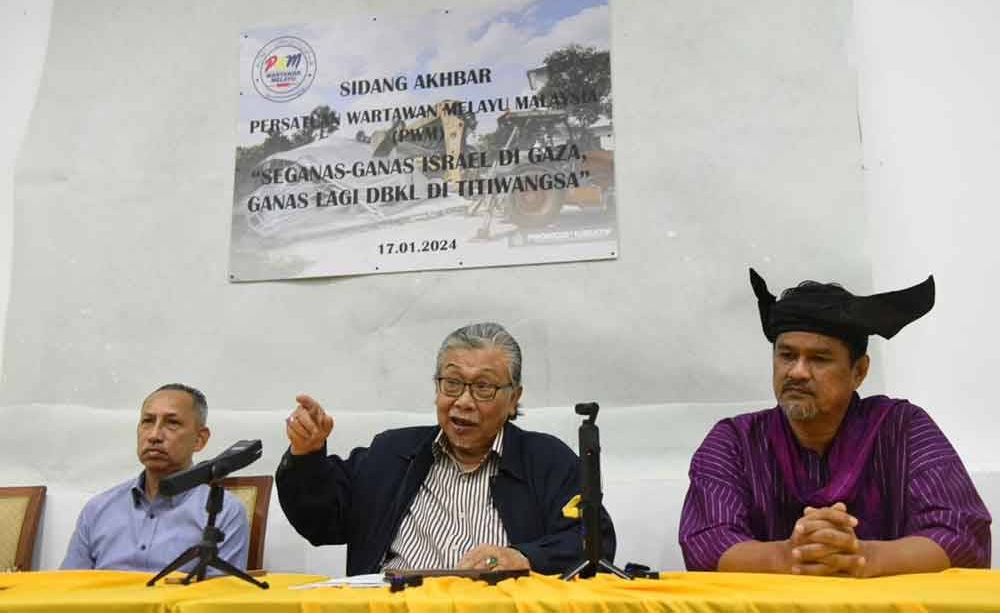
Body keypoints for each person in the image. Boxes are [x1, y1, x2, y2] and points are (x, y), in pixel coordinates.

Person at [679, 269, 991, 577]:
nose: (798, 372)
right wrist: (788, 557)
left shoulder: (902, 429)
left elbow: (962, 535)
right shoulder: (735, 441)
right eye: (787, 355)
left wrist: (863, 557)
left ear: (859, 372)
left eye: (819, 358)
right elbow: (707, 542)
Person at [276, 322, 616, 575]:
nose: (463, 402)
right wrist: (307, 455)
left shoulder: (546, 460)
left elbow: (592, 540)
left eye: (483, 387)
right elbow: (322, 523)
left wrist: (524, 558)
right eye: (452, 383)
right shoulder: (391, 452)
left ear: (513, 398)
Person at [61, 384, 249, 572]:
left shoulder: (223, 513)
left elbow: (219, 595)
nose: (154, 435)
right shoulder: (98, 509)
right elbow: (67, 588)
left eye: (172, 423)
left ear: (200, 439)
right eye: (148, 421)